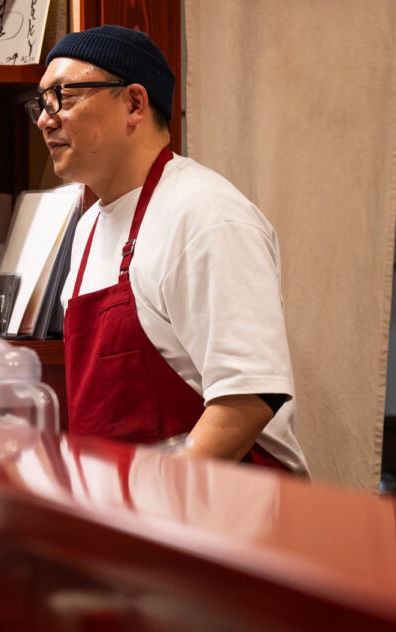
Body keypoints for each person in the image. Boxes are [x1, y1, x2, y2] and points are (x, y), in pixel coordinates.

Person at [31, 25, 308, 474]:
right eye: (41, 103)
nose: (47, 118)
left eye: (64, 95)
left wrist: (151, 501)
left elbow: (248, 400)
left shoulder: (207, 214)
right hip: (124, 515)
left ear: (134, 104)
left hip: (222, 517)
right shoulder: (86, 229)